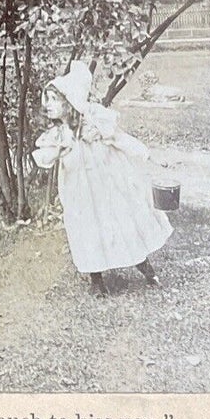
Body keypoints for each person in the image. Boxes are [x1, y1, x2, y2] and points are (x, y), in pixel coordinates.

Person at [32, 60, 172, 295]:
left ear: (70, 102)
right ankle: (96, 279)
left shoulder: (95, 120)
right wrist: (59, 149)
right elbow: (43, 158)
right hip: (79, 189)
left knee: (121, 218)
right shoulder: (57, 134)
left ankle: (145, 266)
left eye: (55, 100)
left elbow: (120, 139)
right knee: (86, 227)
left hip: (107, 182)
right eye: (48, 100)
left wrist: (149, 156)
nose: (49, 106)